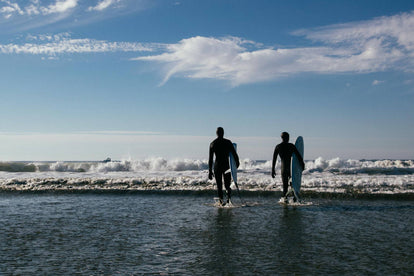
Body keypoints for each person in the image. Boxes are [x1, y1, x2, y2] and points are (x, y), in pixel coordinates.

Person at [209, 127, 240, 206]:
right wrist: (237, 163)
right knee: (227, 185)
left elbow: (210, 159)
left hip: (217, 166)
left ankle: (221, 202)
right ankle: (229, 200)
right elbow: (234, 154)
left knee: (219, 186)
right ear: (223, 133)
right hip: (226, 166)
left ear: (216, 133)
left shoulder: (213, 143)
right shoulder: (228, 142)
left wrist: (210, 171)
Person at [272, 132, 305, 202]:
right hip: (290, 169)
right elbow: (299, 156)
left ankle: (285, 201)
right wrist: (302, 164)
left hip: (283, 169)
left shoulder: (278, 146)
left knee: (285, 187)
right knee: (293, 186)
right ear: (287, 138)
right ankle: (294, 200)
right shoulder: (291, 146)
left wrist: (273, 170)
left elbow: (274, 159)